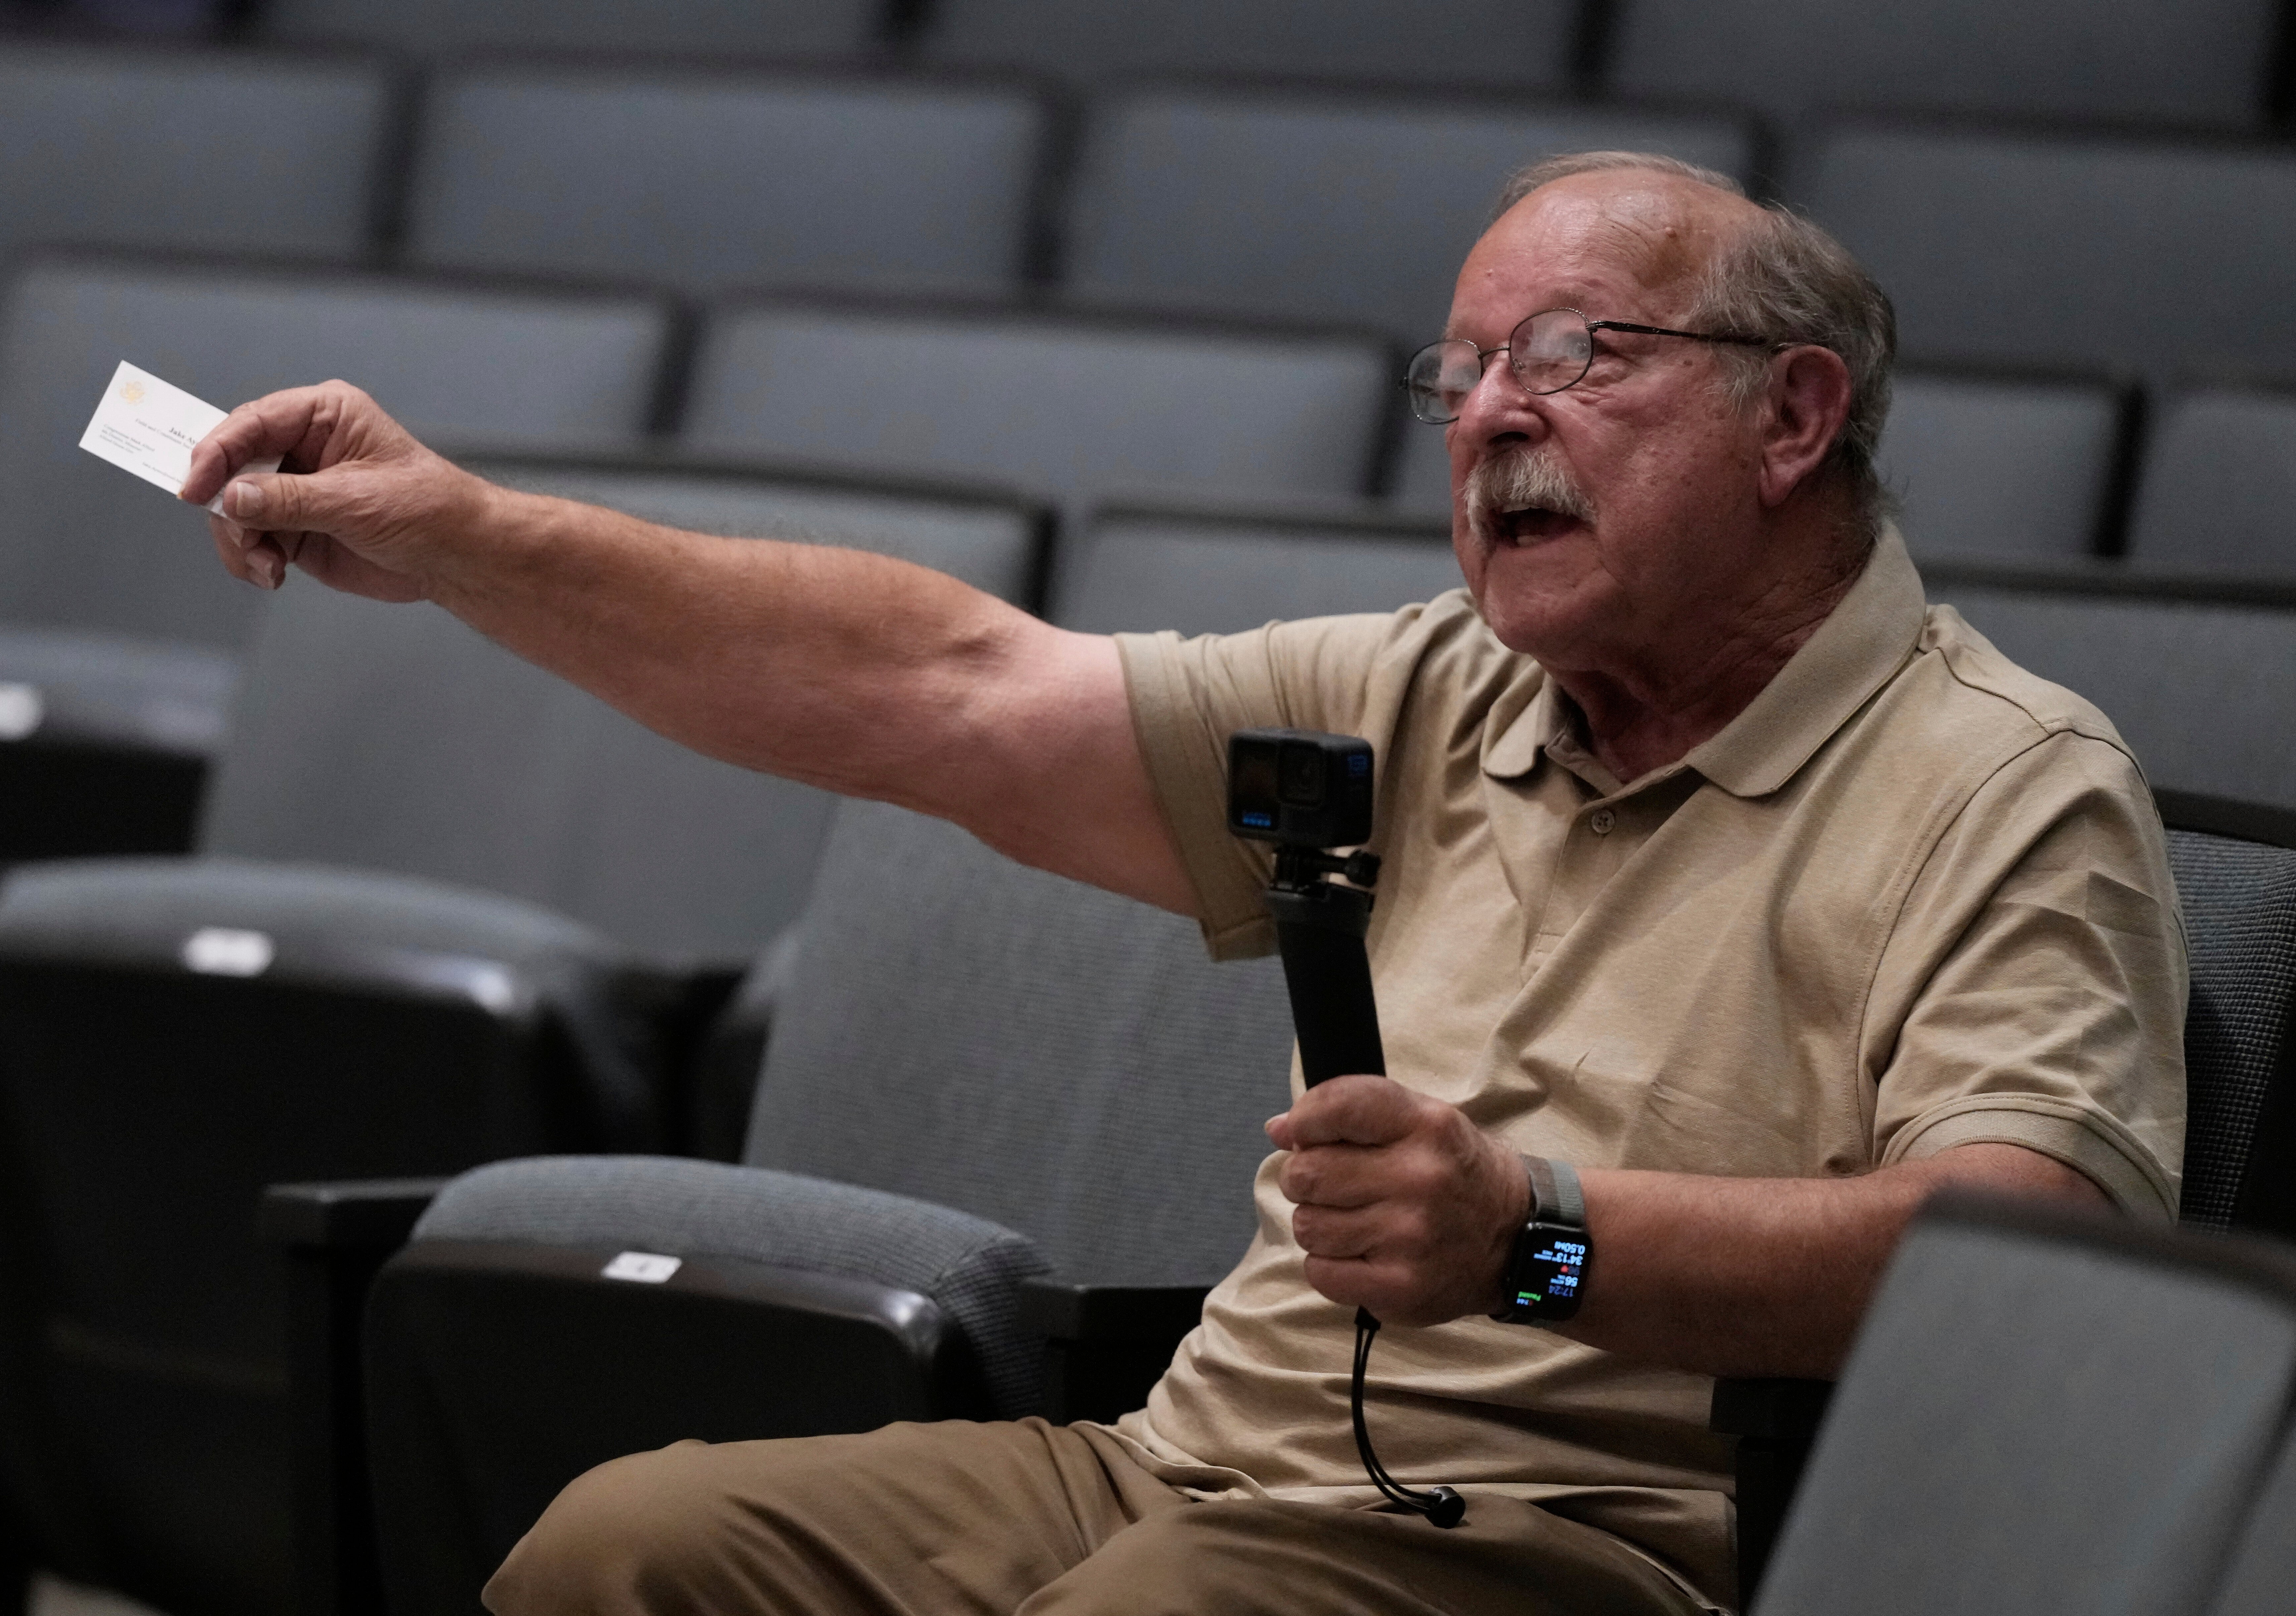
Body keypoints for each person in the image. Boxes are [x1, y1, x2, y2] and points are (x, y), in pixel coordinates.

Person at [182, 152, 2185, 1615]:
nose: (1492, 411)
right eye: (1462, 370)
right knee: (623, 1555)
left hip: (1585, 1547)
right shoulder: (1429, 689)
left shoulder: (1996, 785)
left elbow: (2018, 1264)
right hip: (1185, 1466)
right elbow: (937, 688)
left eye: (1576, 353)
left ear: (1795, 416)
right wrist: (462, 537)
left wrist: (1537, 1239)